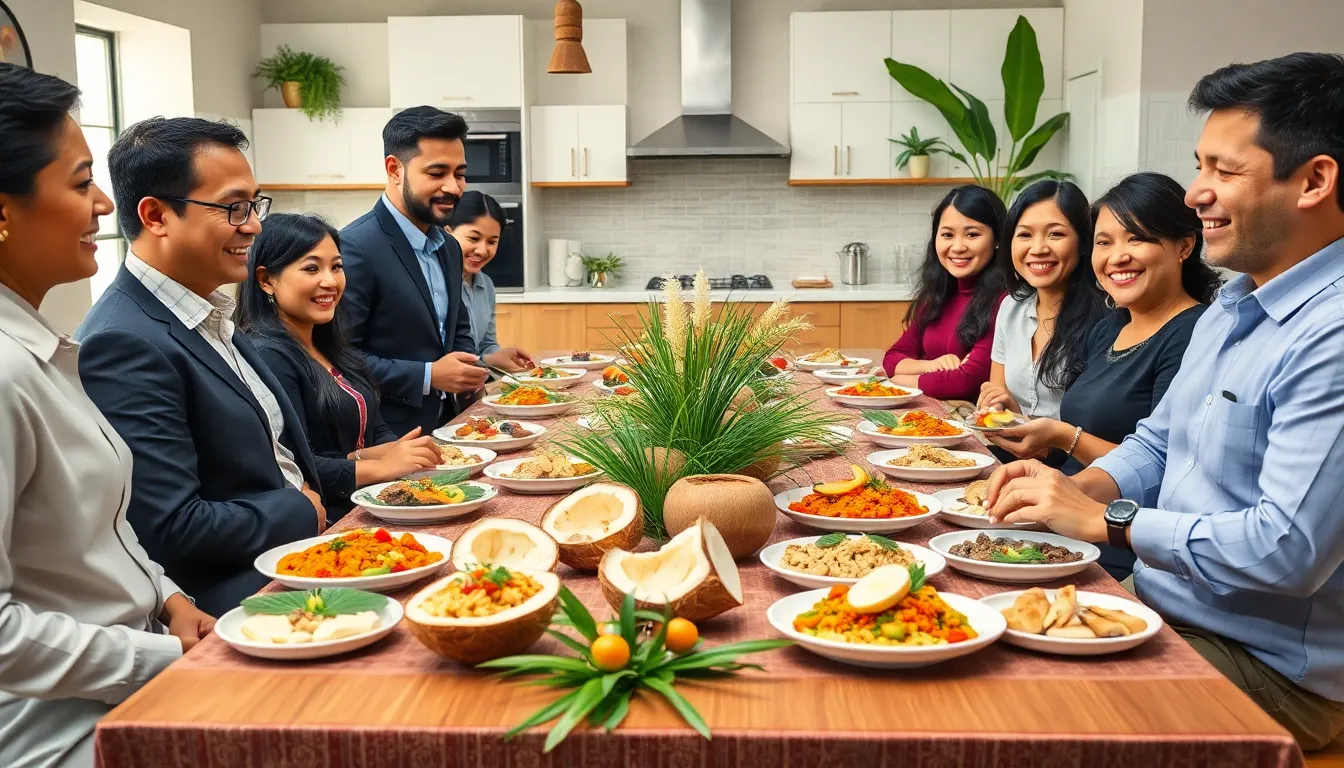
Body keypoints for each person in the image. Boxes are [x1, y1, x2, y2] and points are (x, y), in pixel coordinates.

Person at [985, 52, 1344, 750]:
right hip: (1158, 603)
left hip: (1264, 667)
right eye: (1199, 165)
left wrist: (1107, 520)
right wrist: (1069, 492)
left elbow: (1287, 551)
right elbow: (1158, 441)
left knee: (1014, 713)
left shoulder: (1331, 333)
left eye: (1223, 171)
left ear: (1315, 180)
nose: (1195, 192)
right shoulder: (1232, 304)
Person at [0, 64, 213, 768]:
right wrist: (159, 654)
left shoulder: (43, 346)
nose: (100, 203)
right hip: (65, 730)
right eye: (78, 181)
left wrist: (167, 594)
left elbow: (99, 536)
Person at [75, 117, 325, 618]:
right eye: (234, 207)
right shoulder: (124, 341)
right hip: (241, 596)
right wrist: (299, 508)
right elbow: (170, 527)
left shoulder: (205, 313)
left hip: (298, 552)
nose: (254, 224)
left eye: (255, 204)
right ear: (156, 215)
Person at [989, 173, 1223, 578]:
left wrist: (1063, 436)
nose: (1117, 256)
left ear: (1185, 246)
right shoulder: (1110, 327)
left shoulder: (1194, 333)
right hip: (1060, 522)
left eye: (1136, 238)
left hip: (1120, 541)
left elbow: (1165, 464)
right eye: (1105, 241)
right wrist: (1032, 435)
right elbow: (1075, 446)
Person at [237, 213, 444, 518]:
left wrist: (401, 451)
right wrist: (381, 466)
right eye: (311, 268)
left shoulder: (329, 344)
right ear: (266, 280)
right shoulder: (268, 355)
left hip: (376, 502)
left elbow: (375, 423)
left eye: (336, 267)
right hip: (333, 519)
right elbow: (299, 466)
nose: (330, 281)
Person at [340, 106, 489, 436]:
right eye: (437, 174)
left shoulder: (449, 247)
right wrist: (428, 376)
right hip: (388, 437)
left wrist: (470, 371)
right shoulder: (354, 247)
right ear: (395, 169)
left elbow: (458, 330)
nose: (453, 187)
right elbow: (339, 358)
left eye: (460, 174)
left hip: (453, 428)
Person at [979, 180, 1105, 465]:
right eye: (1024, 235)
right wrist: (1000, 406)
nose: (1038, 248)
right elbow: (1001, 403)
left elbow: (1102, 432)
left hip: (1077, 472)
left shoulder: (1106, 320)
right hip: (1010, 458)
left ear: (1085, 242)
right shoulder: (1010, 307)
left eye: (1055, 234)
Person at [882, 185, 1007, 399]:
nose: (957, 246)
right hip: (926, 417)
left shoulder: (1003, 302)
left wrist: (901, 380)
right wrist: (931, 365)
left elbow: (965, 382)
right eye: (947, 235)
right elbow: (892, 358)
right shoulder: (938, 295)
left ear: (997, 240)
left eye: (972, 234)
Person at [448, 190, 532, 370]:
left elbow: (486, 344)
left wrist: (502, 356)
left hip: (475, 387)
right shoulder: (436, 286)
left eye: (492, 242)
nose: (482, 250)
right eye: (474, 238)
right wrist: (488, 361)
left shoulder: (486, 285)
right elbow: (445, 360)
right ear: (448, 233)